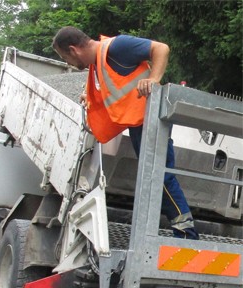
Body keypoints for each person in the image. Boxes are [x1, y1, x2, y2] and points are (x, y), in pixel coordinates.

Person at [52, 27, 199, 239]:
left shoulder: (117, 46)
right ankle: (178, 231)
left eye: (65, 57)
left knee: (161, 177)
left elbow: (161, 48)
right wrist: (89, 98)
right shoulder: (100, 63)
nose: (69, 64)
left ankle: (186, 233)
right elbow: (117, 89)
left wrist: (154, 79)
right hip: (141, 123)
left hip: (150, 120)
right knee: (154, 177)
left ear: (73, 50)